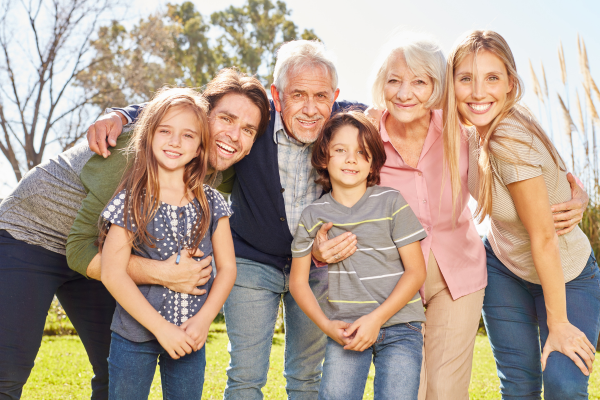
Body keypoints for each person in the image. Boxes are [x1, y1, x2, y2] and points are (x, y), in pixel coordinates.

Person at [319, 35, 589, 400]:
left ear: (435, 87)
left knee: (445, 391)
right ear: (381, 85)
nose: (404, 92)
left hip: (457, 278)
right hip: (399, 282)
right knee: (410, 390)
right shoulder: (365, 138)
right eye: (394, 80)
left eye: (419, 81)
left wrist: (577, 194)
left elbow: (532, 173)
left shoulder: (459, 131)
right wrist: (322, 240)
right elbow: (335, 187)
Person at [103, 40, 362, 399]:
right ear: (277, 95)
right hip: (253, 261)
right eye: (298, 94)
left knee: (307, 377)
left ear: (334, 98)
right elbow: (179, 111)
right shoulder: (254, 121)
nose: (309, 107)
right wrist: (122, 114)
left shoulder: (341, 125)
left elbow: (377, 111)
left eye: (321, 96)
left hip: (314, 265)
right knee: (246, 376)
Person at [0, 68, 268, 399]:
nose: (233, 135)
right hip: (32, 233)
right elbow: (80, 250)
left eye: (247, 129)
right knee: (7, 371)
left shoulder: (214, 169)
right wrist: (164, 273)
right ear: (201, 114)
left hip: (104, 255)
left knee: (115, 371)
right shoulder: (142, 152)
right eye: (225, 119)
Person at [444, 30, 600, 399]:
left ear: (511, 83)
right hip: (504, 269)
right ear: (450, 84)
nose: (478, 92)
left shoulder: (509, 136)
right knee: (518, 386)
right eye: (466, 78)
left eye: (492, 78)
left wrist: (558, 322)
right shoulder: (467, 133)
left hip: (567, 273)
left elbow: (544, 237)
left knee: (563, 385)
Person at [98, 87, 236, 399]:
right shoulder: (132, 200)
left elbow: (227, 269)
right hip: (133, 337)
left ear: (201, 147)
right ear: (148, 136)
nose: (175, 142)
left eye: (188, 135)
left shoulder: (212, 202)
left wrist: (203, 322)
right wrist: (161, 329)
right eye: (165, 131)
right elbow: (112, 273)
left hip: (190, 338)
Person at [290, 111, 427, 400]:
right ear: (325, 158)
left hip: (402, 325)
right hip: (346, 328)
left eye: (361, 152)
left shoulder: (392, 202)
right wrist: (327, 326)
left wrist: (376, 319)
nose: (351, 159)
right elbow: (298, 283)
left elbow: (417, 272)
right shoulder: (312, 215)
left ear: (373, 162)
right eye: (341, 150)